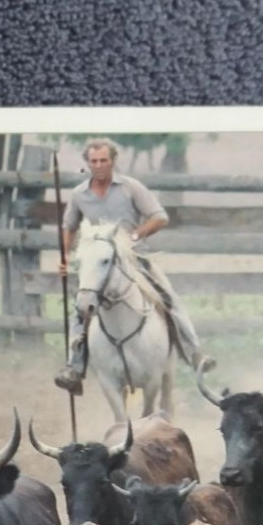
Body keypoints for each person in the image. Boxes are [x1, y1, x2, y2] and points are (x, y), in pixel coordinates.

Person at [54, 137, 201, 396]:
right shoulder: (79, 194)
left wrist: (134, 236)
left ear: (113, 161)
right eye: (94, 161)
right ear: (87, 163)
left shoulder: (131, 188)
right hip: (97, 264)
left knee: (168, 297)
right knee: (81, 308)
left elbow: (160, 217)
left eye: (104, 161)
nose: (99, 166)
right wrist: (64, 258)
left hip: (133, 259)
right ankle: (74, 367)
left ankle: (193, 353)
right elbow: (69, 226)